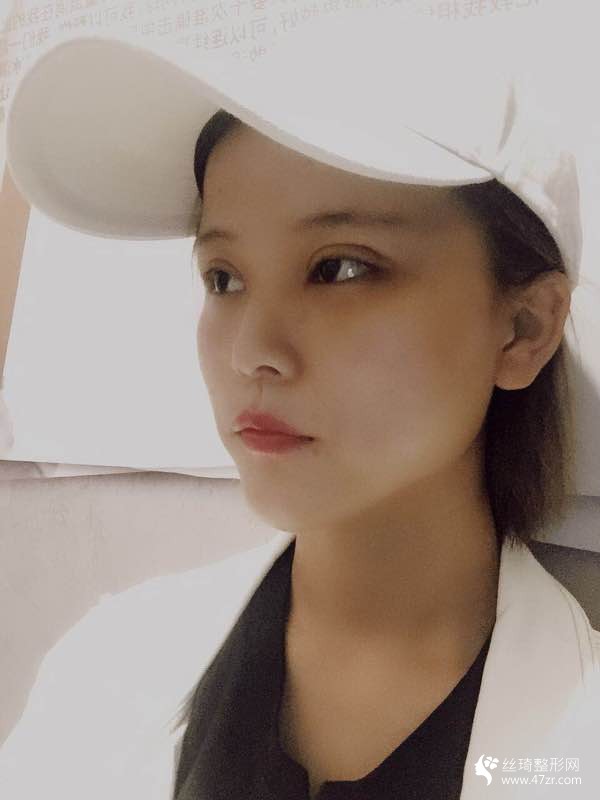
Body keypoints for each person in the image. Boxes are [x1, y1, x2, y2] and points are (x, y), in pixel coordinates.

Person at [1, 7, 599, 800]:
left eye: (340, 268)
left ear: (523, 329)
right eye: (223, 277)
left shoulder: (577, 747)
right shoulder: (106, 665)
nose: (253, 349)